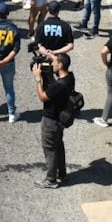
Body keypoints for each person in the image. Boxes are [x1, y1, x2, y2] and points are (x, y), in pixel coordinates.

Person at [35, 48, 78, 188]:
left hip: (51, 120)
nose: (51, 64)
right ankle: (61, 173)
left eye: (53, 62)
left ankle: (51, 179)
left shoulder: (59, 85)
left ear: (60, 65)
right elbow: (54, 85)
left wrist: (37, 79)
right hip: (60, 119)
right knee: (58, 145)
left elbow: (43, 97)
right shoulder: (69, 78)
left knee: (50, 149)